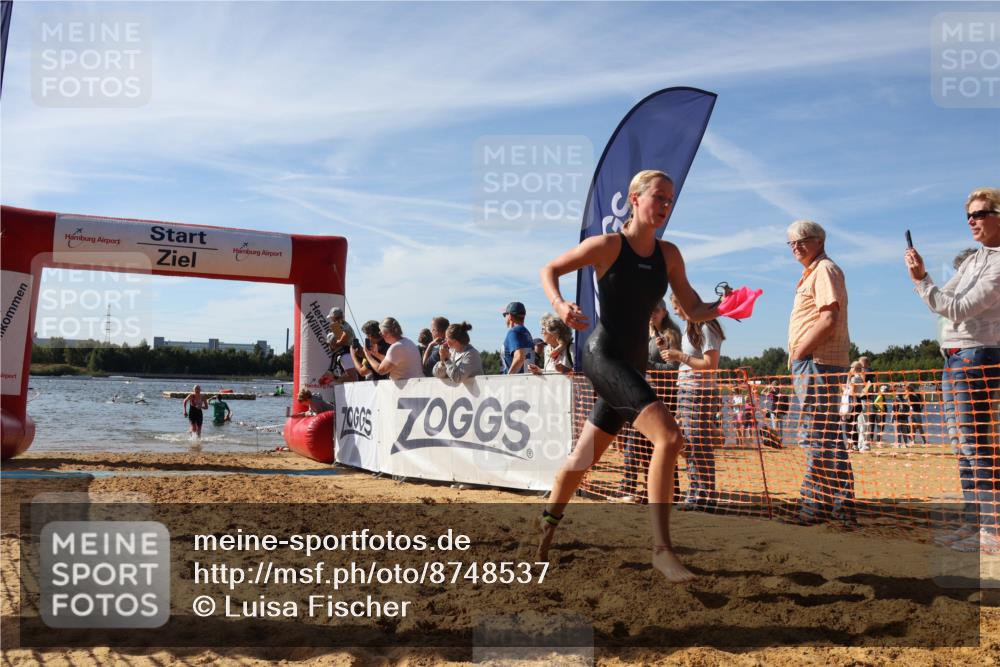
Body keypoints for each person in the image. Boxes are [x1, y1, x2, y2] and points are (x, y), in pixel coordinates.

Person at [538, 169, 732, 583]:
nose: (664, 206)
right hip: (603, 355)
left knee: (582, 458)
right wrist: (559, 305)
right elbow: (550, 269)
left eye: (669, 200)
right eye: (658, 197)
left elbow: (694, 308)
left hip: (631, 364)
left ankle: (544, 531)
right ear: (634, 199)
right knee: (670, 437)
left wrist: (727, 303)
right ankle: (662, 551)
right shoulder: (608, 246)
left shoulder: (669, 255)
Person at [905, 187, 1000, 552]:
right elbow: (944, 302)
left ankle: (991, 531)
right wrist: (924, 278)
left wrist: (922, 281)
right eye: (969, 216)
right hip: (957, 357)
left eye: (979, 214)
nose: (972, 221)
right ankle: (973, 523)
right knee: (963, 446)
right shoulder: (976, 259)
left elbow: (958, 308)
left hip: (977, 355)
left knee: (977, 447)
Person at [786, 219, 856, 527]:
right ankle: (835, 506)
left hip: (818, 360)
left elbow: (829, 318)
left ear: (820, 241)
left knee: (818, 436)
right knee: (825, 436)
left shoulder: (824, 270)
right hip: (817, 361)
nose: (796, 246)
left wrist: (800, 351)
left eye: (803, 240)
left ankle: (816, 506)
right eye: (792, 243)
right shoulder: (814, 272)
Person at [662, 293, 725, 509]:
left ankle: (704, 497)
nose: (676, 312)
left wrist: (680, 357)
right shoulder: (693, 328)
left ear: (685, 305)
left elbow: (710, 364)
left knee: (699, 445)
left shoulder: (706, 327)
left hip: (699, 393)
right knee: (691, 444)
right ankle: (696, 493)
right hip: (688, 392)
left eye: (677, 308)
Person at [365, 317, 423, 381]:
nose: (381, 335)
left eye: (381, 333)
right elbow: (391, 361)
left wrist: (368, 355)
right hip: (416, 384)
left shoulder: (396, 347)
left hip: (408, 388)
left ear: (387, 333)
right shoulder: (408, 342)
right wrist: (377, 354)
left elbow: (381, 370)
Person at [325, 307, 359, 382]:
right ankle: (333, 377)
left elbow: (341, 341)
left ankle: (332, 377)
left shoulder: (336, 325)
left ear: (333, 317)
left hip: (346, 353)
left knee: (353, 378)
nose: (331, 319)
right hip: (352, 352)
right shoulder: (346, 324)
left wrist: (332, 343)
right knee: (353, 378)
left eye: (331, 318)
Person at [501, 302, 534, 374]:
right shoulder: (526, 333)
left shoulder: (513, 332)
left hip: (516, 383)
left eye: (504, 315)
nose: (505, 318)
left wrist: (508, 379)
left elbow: (519, 357)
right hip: (527, 379)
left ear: (509, 316)